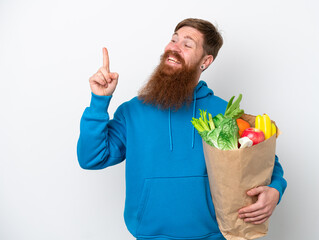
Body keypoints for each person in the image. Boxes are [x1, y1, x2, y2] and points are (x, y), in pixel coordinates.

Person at [77, 18, 287, 240]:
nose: (174, 48)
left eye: (187, 45)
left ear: (205, 61)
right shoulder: (133, 111)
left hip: (214, 236)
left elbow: (261, 161)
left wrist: (276, 189)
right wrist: (99, 102)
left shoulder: (225, 112)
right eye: (173, 40)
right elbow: (91, 158)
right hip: (149, 236)